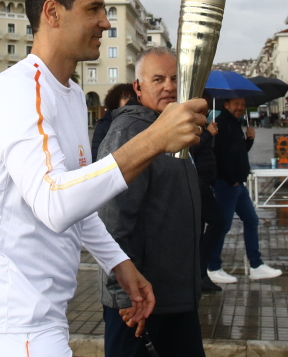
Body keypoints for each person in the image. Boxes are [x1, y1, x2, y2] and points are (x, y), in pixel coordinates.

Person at [0, 0, 207, 357]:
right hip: (7, 320)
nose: (105, 22)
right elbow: (55, 203)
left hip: (44, 315)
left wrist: (119, 264)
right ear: (52, 13)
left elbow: (80, 201)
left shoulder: (71, 95)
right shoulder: (18, 91)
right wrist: (154, 139)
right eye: (93, 10)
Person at [98, 48, 205, 357]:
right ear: (139, 87)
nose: (169, 86)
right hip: (140, 306)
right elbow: (111, 219)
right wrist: (124, 296)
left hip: (174, 297)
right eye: (158, 79)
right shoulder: (130, 133)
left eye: (174, 78)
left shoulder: (171, 130)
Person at [207, 98, 283, 284]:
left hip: (237, 185)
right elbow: (218, 155)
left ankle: (256, 266)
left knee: (251, 220)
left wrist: (249, 140)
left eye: (242, 104)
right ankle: (212, 267)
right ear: (226, 105)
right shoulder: (222, 124)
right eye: (236, 104)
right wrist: (230, 179)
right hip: (227, 184)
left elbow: (238, 153)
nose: (240, 107)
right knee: (222, 226)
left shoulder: (235, 124)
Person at [190, 118, 224, 293]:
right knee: (218, 222)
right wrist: (207, 134)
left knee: (200, 231)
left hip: (206, 183)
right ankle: (200, 269)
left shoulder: (203, 128)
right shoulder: (192, 128)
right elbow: (190, 149)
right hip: (198, 184)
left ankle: (200, 275)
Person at [91, 82, 134, 158]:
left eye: (131, 98)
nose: (128, 101)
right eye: (124, 97)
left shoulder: (139, 122)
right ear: (116, 100)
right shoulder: (104, 125)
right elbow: (96, 153)